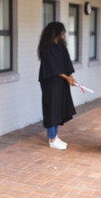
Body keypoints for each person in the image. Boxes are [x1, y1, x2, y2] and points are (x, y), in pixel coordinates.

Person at [38, 21, 76, 150]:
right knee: (51, 110)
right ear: (56, 33)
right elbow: (52, 67)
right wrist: (67, 78)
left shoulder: (61, 46)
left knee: (58, 109)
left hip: (61, 84)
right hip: (51, 84)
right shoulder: (47, 48)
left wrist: (71, 77)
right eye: (62, 32)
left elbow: (66, 64)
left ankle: (55, 136)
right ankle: (52, 139)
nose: (63, 34)